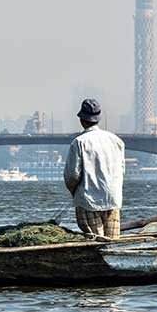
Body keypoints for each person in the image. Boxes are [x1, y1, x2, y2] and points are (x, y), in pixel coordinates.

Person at [64, 99, 126, 239]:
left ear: (82, 120)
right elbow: (122, 170)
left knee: (96, 240)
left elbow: (72, 176)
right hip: (112, 199)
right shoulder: (116, 140)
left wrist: (74, 192)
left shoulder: (79, 142)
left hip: (88, 200)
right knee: (112, 241)